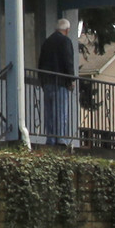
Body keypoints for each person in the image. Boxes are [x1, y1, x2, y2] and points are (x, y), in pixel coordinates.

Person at [37, 16, 79, 147]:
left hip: (47, 82)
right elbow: (68, 61)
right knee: (60, 112)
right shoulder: (65, 41)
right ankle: (60, 139)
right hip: (60, 82)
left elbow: (41, 62)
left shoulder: (47, 42)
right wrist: (71, 79)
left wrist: (42, 80)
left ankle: (50, 139)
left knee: (49, 113)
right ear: (67, 30)